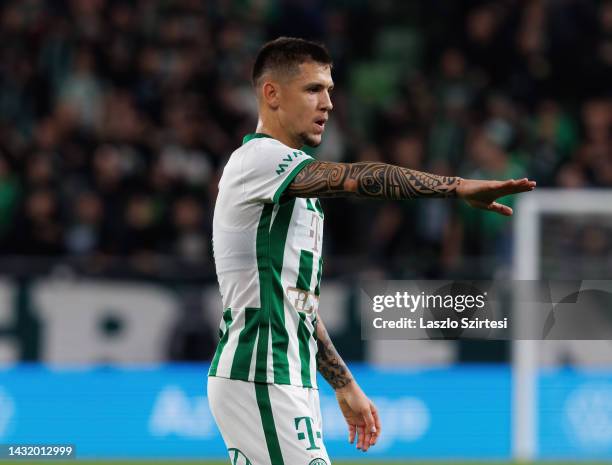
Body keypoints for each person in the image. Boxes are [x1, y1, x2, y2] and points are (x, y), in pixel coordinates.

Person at [207, 37, 536, 465]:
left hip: (287, 375)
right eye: (312, 89)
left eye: (329, 90)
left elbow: (297, 306)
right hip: (261, 372)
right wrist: (456, 187)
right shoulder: (259, 160)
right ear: (271, 94)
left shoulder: (294, 192)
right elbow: (357, 178)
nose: (327, 103)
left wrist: (343, 384)